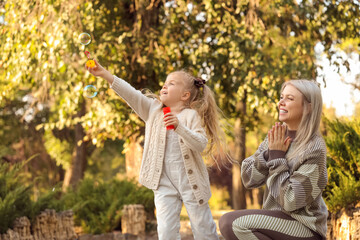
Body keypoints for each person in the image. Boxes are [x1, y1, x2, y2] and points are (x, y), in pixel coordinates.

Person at [86, 60, 229, 240]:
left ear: (185, 95)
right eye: (165, 82)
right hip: (163, 183)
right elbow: (130, 94)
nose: (164, 85)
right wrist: (104, 73)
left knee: (204, 229)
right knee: (166, 232)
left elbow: (201, 144)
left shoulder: (190, 116)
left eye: (171, 83)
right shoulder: (152, 110)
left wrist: (180, 128)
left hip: (191, 182)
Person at [219, 80, 328, 240]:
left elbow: (290, 201)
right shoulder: (278, 135)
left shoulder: (313, 148)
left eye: (289, 98)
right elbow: (248, 179)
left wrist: (277, 158)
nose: (280, 103)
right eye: (281, 97)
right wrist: (268, 154)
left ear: (308, 107)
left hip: (305, 229)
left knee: (230, 223)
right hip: (275, 222)